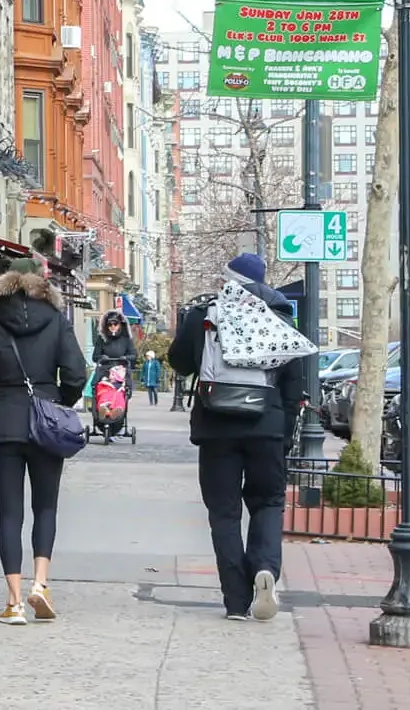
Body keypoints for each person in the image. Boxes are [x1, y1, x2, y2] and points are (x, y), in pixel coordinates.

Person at [168, 252, 310, 623]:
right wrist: (285, 430)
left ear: (227, 280)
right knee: (268, 502)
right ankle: (265, 568)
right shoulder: (279, 318)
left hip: (216, 426)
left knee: (224, 513)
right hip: (267, 425)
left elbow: (180, 362)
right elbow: (295, 384)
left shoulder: (205, 315)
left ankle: (235, 600)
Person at [0, 258, 89, 626]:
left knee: (9, 512)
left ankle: (14, 601)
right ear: (39, 282)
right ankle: (41, 584)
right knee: (45, 506)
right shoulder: (55, 321)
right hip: (46, 421)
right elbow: (77, 373)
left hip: (3, 421)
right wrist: (57, 401)